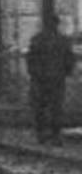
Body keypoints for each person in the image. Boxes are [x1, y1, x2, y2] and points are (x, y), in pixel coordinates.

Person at [27, 14, 77, 146]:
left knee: (40, 107)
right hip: (57, 79)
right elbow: (70, 60)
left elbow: (31, 60)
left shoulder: (36, 39)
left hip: (40, 79)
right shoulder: (64, 41)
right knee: (56, 107)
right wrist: (65, 73)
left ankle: (41, 134)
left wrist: (34, 75)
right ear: (57, 25)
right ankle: (56, 136)